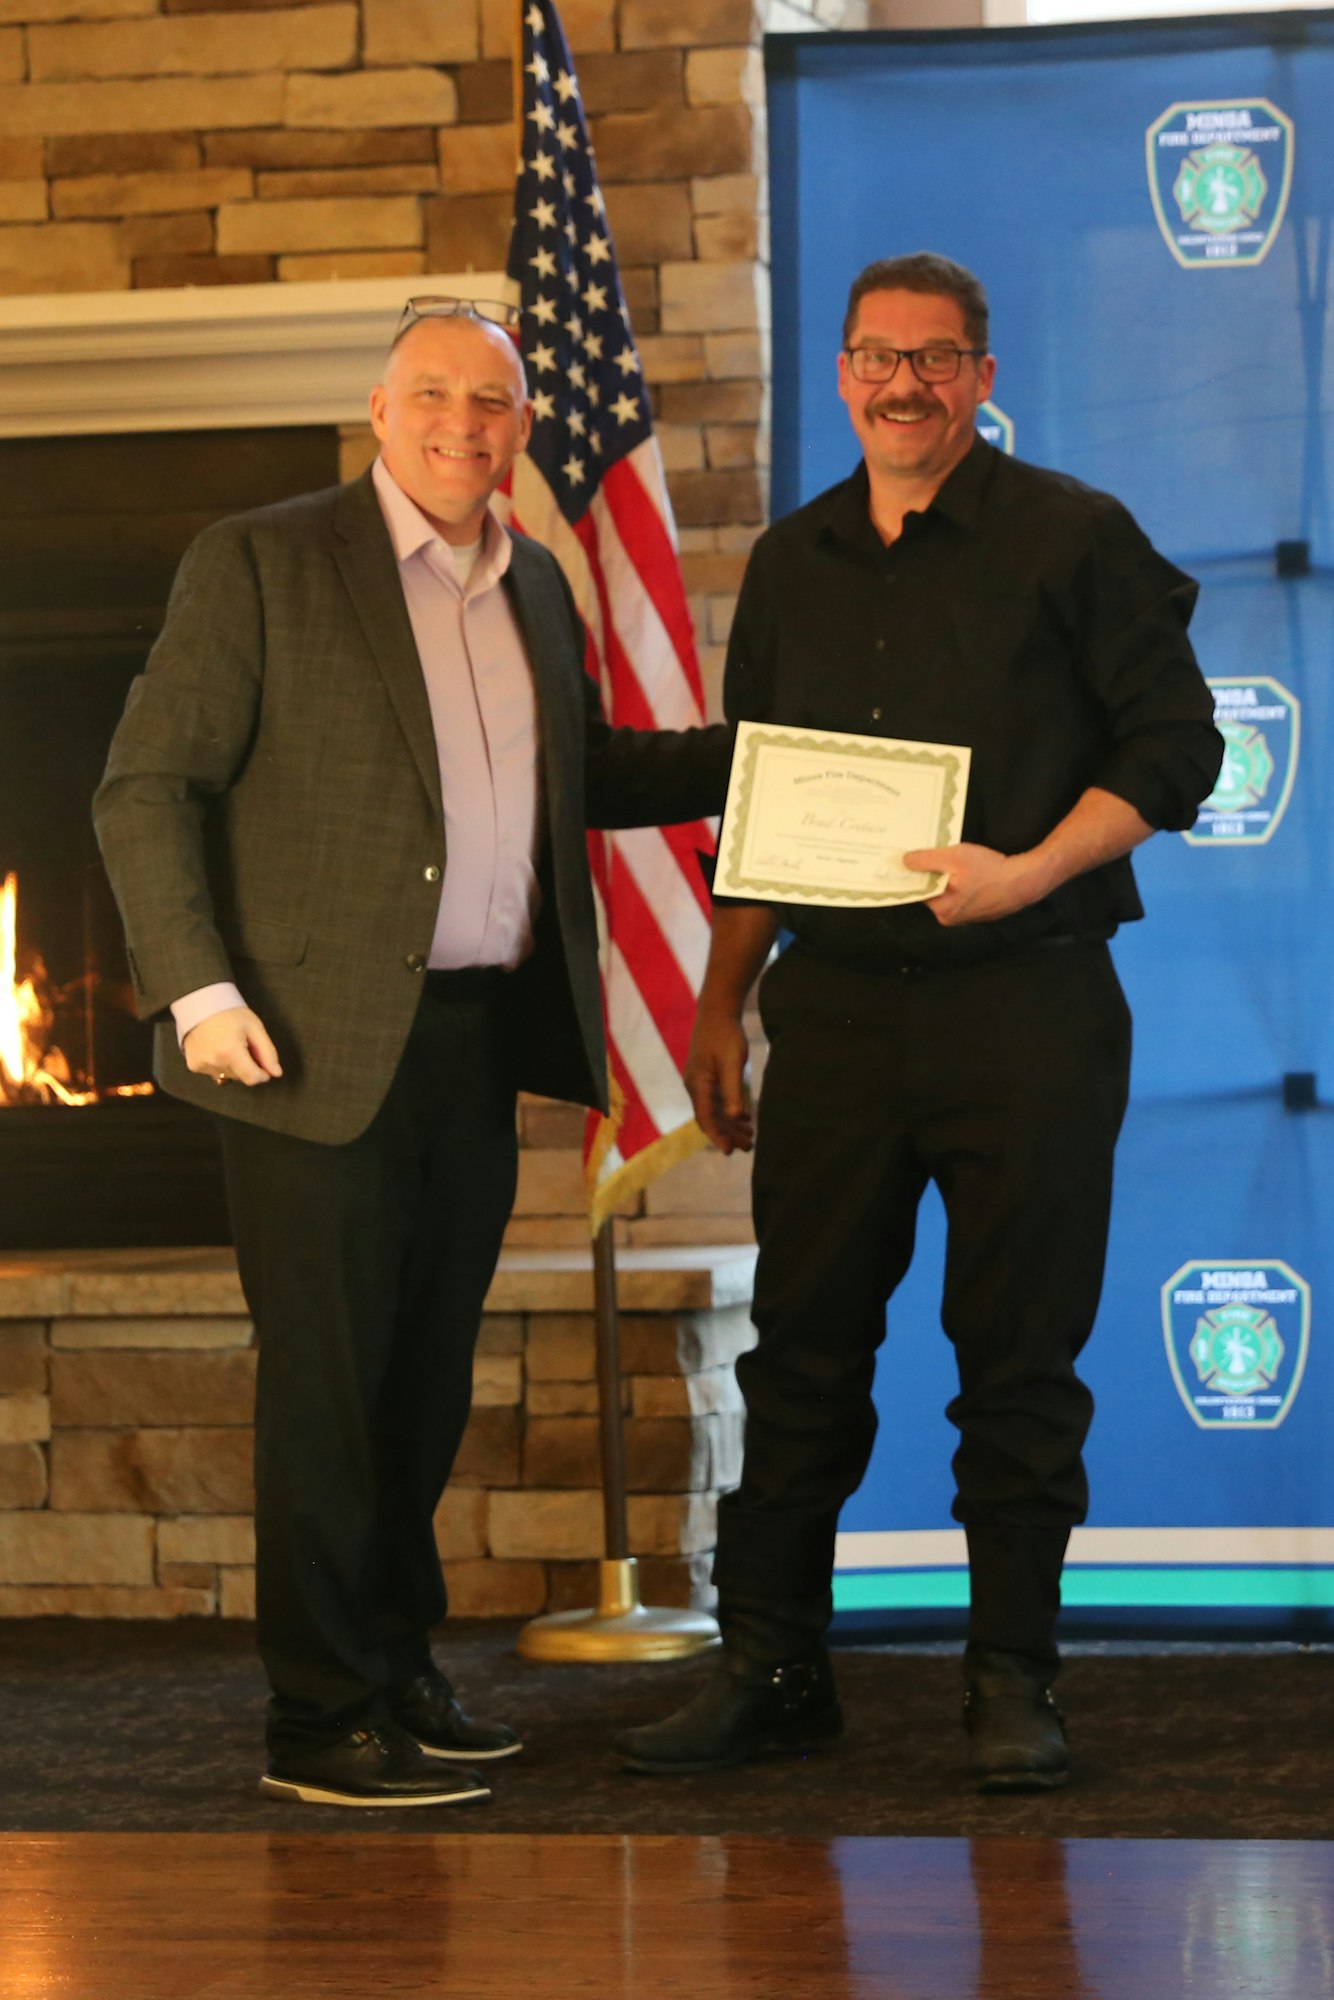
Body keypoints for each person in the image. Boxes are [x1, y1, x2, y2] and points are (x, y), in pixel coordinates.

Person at [94, 299, 729, 1811]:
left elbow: (594, 776)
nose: (464, 423)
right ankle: (320, 1717)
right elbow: (144, 788)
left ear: (519, 428)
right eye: (433, 395)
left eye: (492, 402)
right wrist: (196, 989)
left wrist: (771, 750)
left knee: (424, 1384)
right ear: (378, 412)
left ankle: (395, 1667)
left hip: (468, 1045)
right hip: (298, 1054)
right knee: (330, 1388)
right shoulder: (260, 561)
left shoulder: (533, 594)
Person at [613, 253, 1222, 1793]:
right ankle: (772, 1669)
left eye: (936, 360)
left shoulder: (1074, 536)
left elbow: (1178, 750)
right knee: (800, 1353)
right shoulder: (797, 557)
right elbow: (762, 791)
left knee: (1015, 1364)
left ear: (981, 374)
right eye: (878, 358)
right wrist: (717, 997)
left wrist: (1025, 873)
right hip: (835, 1020)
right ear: (840, 373)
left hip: (1028, 1009)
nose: (904, 385)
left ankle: (1010, 1682)